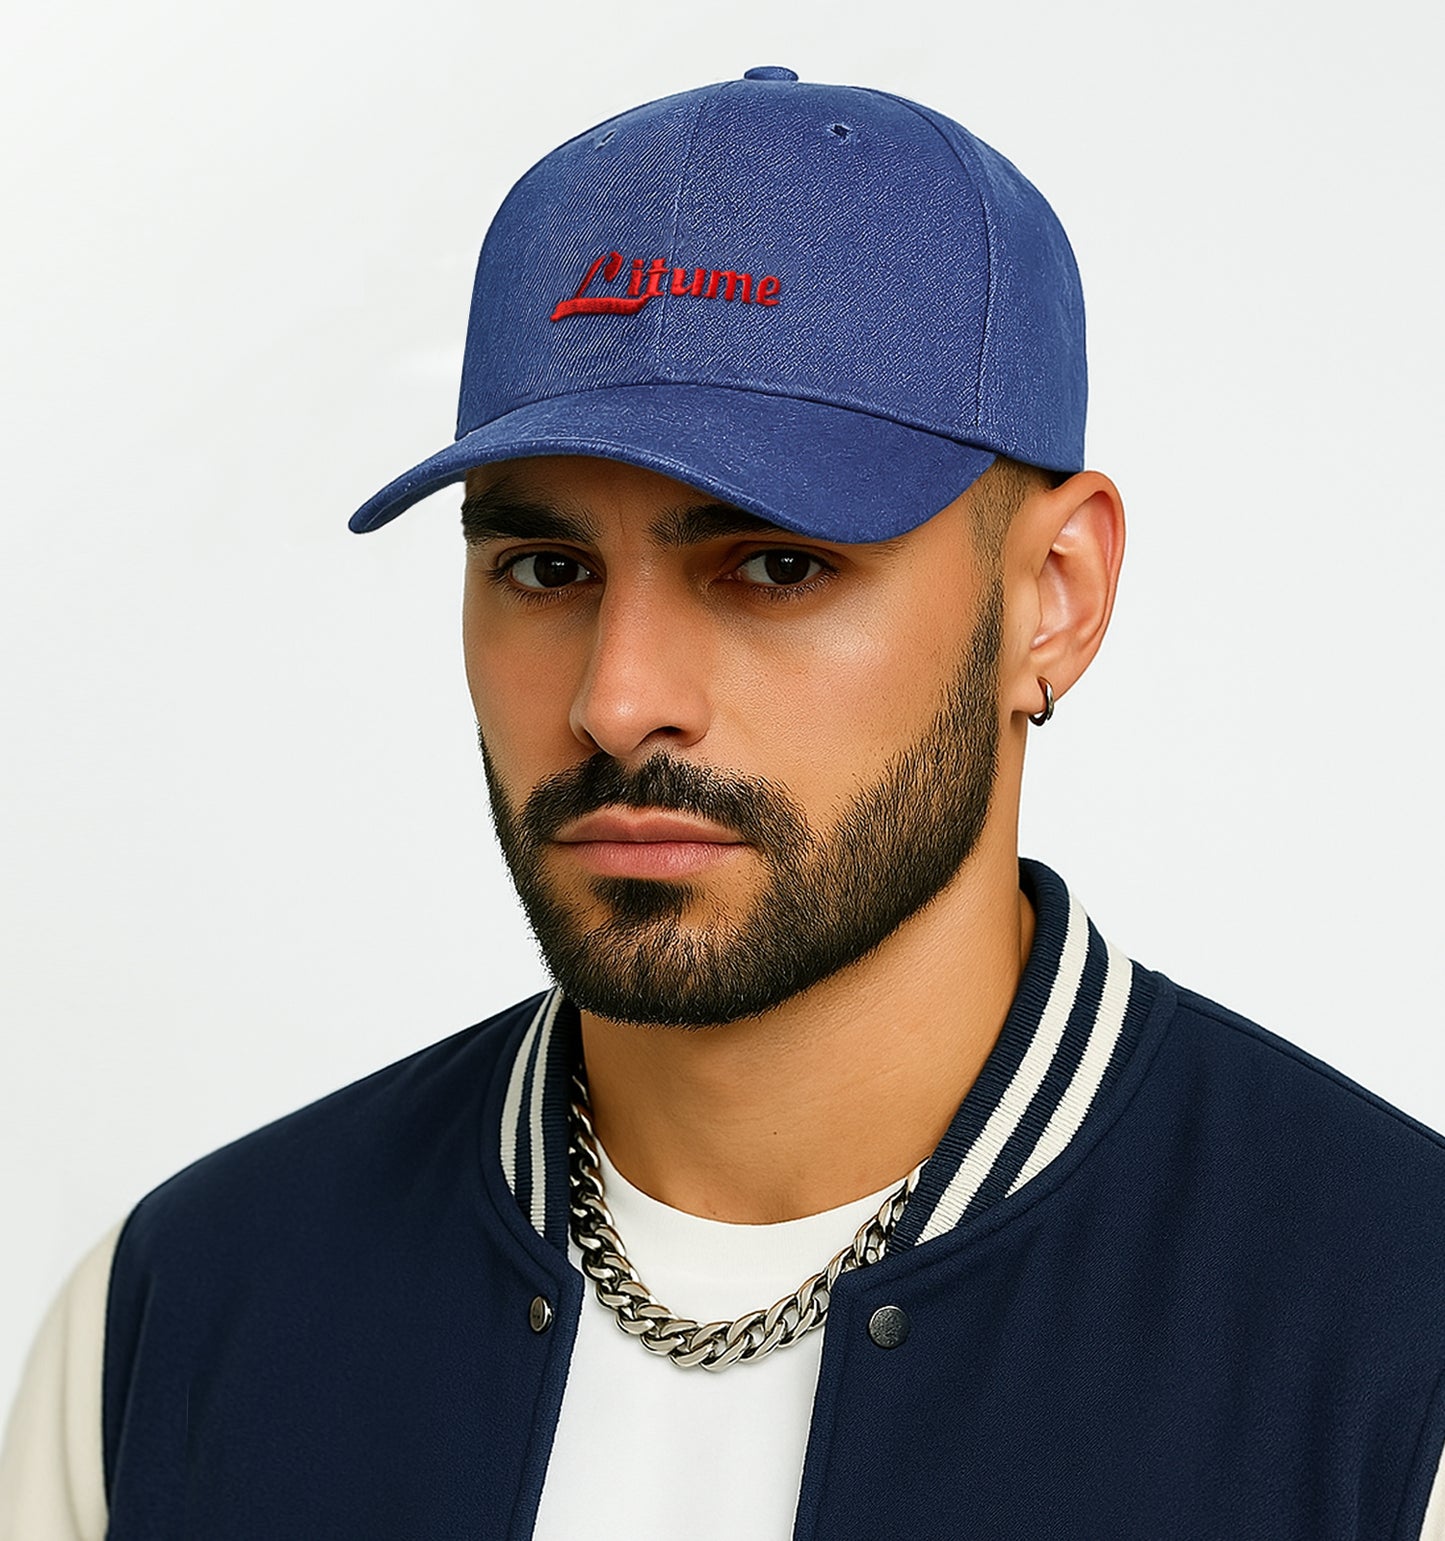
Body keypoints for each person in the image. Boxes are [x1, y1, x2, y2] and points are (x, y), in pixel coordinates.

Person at [2, 65, 1443, 1541]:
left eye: (773, 565)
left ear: (1052, 600)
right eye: (545, 568)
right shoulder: (172, 1320)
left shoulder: (1393, 1355)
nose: (616, 700)